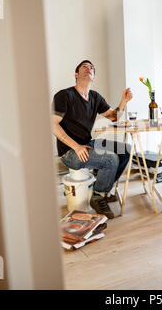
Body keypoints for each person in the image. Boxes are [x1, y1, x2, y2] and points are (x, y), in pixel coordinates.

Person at [52, 60, 133, 219]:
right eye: (84, 66)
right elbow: (52, 125)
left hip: (88, 144)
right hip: (70, 151)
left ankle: (103, 189)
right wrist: (76, 147)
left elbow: (113, 117)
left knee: (126, 150)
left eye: (92, 68)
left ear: (93, 77)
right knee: (110, 159)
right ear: (76, 75)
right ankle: (98, 197)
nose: (89, 68)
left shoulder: (95, 97)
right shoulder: (64, 95)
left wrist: (123, 102)